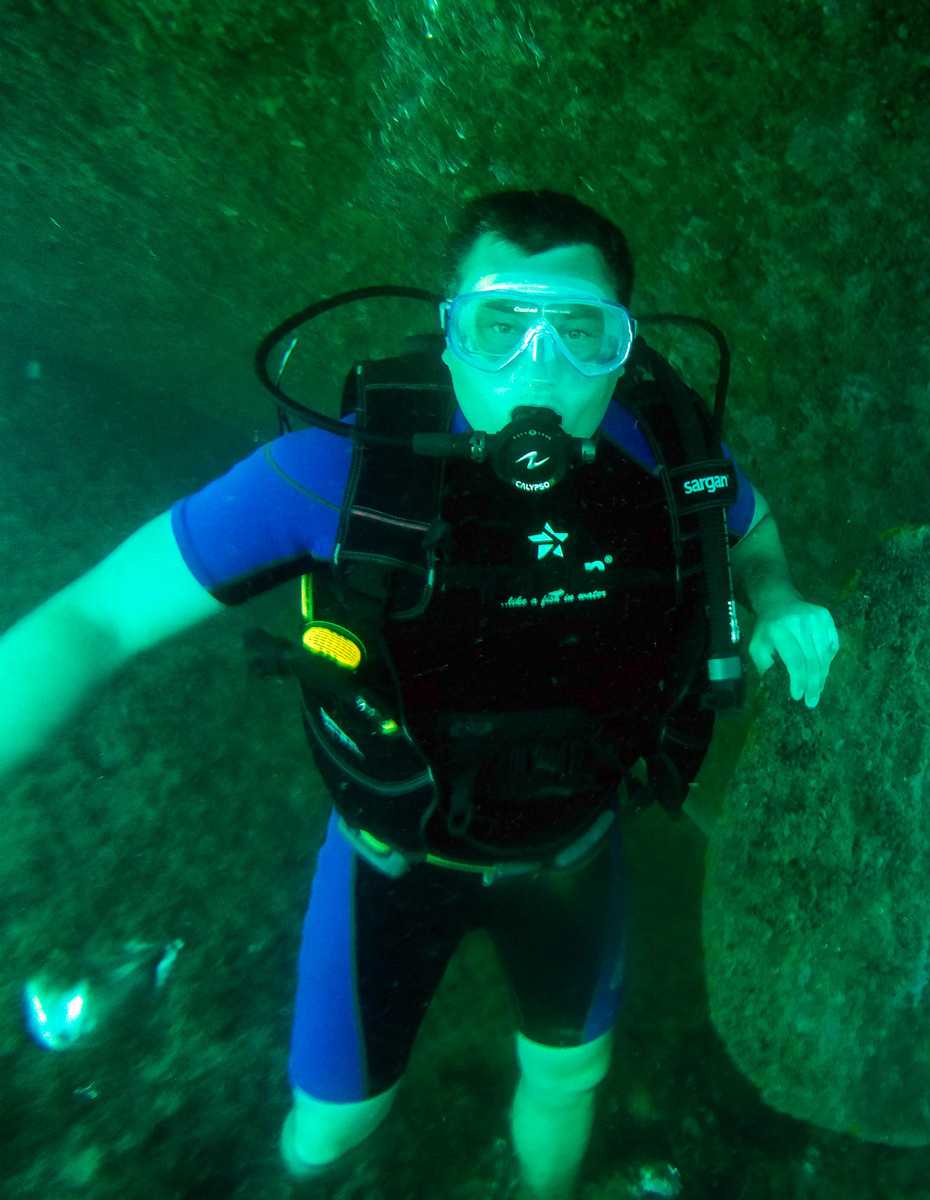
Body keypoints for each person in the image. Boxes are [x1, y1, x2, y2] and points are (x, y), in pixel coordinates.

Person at [0, 189, 838, 1198]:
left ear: (624, 347)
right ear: (449, 334)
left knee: (569, 1080)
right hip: (387, 864)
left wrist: (780, 598)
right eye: (499, 325)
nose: (538, 368)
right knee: (329, 1130)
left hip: (571, 859)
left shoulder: (669, 456)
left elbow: (750, 528)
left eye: (581, 331)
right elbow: (96, 618)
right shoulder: (341, 471)